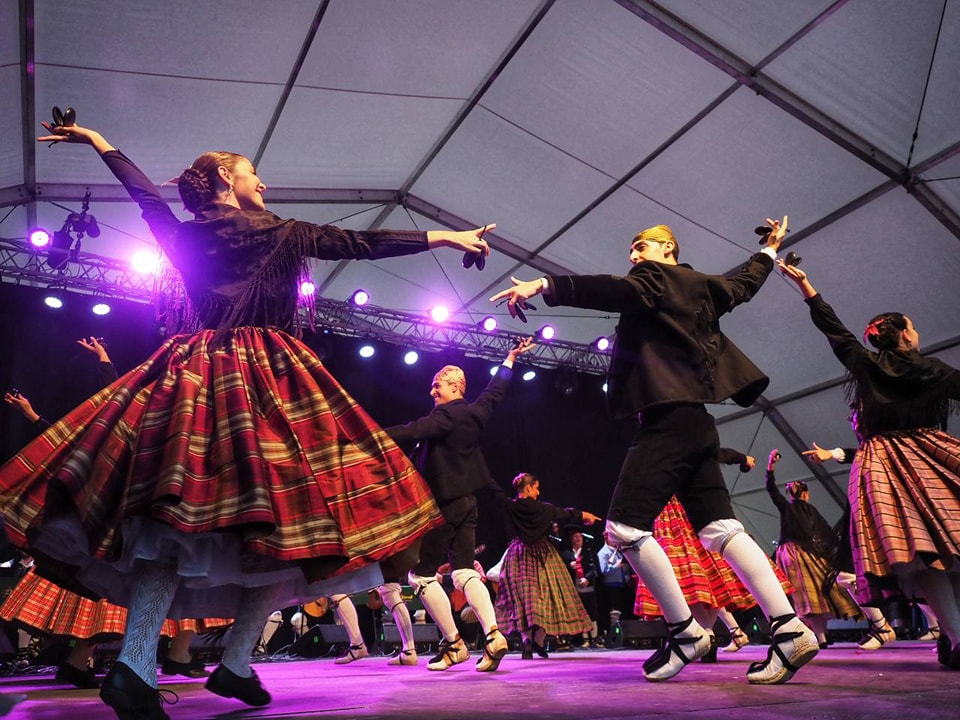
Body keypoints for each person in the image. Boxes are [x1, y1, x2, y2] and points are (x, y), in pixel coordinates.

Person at [0, 121, 493, 720]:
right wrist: (447, 237)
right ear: (228, 181)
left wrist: (100, 143)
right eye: (252, 171)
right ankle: (185, 664)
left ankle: (181, 664)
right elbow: (364, 244)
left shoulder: (182, 235)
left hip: (193, 377)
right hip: (274, 384)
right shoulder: (284, 233)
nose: (262, 180)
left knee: (175, 522)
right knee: (288, 527)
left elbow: (143, 197)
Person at [490, 219, 818, 684]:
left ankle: (687, 633)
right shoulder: (705, 285)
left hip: (666, 420)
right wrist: (768, 250)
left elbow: (610, 290)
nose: (633, 256)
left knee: (622, 529)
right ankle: (789, 630)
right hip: (699, 421)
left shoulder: (655, 277)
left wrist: (547, 283)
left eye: (639, 246)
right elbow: (744, 284)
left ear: (666, 248)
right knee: (721, 528)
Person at [779, 259, 960, 668]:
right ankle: (954, 633)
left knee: (920, 552)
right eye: (912, 327)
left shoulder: (866, 365)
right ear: (904, 335)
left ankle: (954, 633)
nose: (916, 332)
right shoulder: (933, 371)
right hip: (931, 456)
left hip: (883, 465)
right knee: (948, 548)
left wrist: (808, 287)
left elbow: (834, 330)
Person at [384, 338, 534, 672]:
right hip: (468, 503)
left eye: (436, 385)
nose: (432, 392)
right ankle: (493, 636)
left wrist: (370, 434)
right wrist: (509, 358)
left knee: (420, 578)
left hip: (444, 505)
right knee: (465, 570)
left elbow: (412, 430)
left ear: (454, 385)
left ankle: (454, 644)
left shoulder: (446, 417)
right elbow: (494, 392)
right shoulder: (476, 413)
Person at [634, 449, 794, 662]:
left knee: (691, 577)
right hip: (686, 510)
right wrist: (743, 459)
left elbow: (712, 452)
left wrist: (742, 459)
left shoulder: (672, 443)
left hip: (680, 513)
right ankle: (711, 634)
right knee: (699, 578)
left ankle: (709, 635)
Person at [803, 441, 941, 644]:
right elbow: (863, 449)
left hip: (891, 510)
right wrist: (832, 452)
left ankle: (939, 626)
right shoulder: (873, 449)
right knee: (850, 575)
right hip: (872, 509)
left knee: (915, 571)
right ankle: (887, 626)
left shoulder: (902, 446)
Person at [493, 472, 600, 659]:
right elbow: (566, 513)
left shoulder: (510, 506)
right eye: (536, 488)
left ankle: (528, 641)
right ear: (528, 488)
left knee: (523, 600)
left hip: (518, 555)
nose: (538, 491)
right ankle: (537, 641)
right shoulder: (544, 509)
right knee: (547, 597)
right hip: (543, 555)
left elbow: (495, 493)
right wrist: (585, 515)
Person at [764, 449, 863, 649]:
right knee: (809, 597)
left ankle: (821, 637)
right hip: (796, 555)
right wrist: (770, 466)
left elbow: (827, 534)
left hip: (810, 554)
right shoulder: (788, 507)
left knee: (819, 596)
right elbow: (772, 489)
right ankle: (813, 636)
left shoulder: (808, 510)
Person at [561, 526, 601, 646]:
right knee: (580, 613)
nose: (578, 539)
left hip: (588, 586)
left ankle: (594, 638)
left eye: (580, 536)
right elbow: (561, 570)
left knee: (592, 612)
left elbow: (595, 568)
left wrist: (587, 578)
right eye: (576, 537)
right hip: (574, 588)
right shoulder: (566, 554)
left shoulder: (589, 552)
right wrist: (569, 566)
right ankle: (584, 639)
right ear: (571, 539)